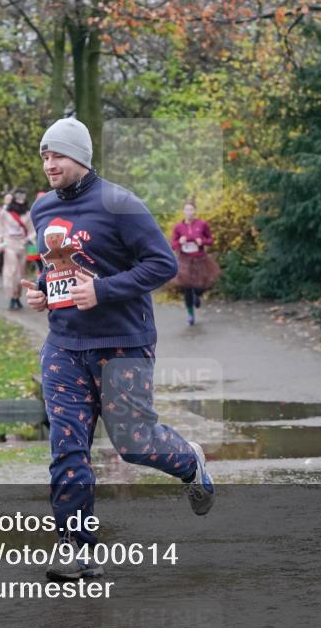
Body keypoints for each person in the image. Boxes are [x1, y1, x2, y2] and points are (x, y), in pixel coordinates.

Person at [22, 117, 215, 582]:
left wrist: (103, 291)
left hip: (122, 344)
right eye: (45, 155)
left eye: (58, 155)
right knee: (68, 448)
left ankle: (190, 461)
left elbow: (162, 264)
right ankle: (76, 547)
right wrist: (45, 293)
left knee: (133, 444)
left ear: (81, 158)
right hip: (64, 345)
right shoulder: (43, 209)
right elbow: (61, 269)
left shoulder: (120, 203)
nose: (50, 164)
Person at [170, 199, 220, 325]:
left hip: (200, 259)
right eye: (186, 209)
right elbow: (172, 244)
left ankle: (197, 296)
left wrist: (201, 241)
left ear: (195, 211)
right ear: (183, 211)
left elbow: (210, 240)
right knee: (187, 288)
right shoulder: (178, 227)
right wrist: (179, 242)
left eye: (191, 209)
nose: (189, 212)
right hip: (185, 260)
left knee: (200, 286)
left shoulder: (202, 224)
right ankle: (190, 315)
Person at [0, 191, 35, 310]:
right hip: (9, 244)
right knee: (11, 271)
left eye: (23, 198)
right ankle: (11, 297)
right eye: (18, 198)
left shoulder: (28, 214)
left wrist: (29, 239)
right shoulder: (4, 213)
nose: (21, 200)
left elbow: (32, 229)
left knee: (20, 273)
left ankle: (17, 296)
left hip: (22, 245)